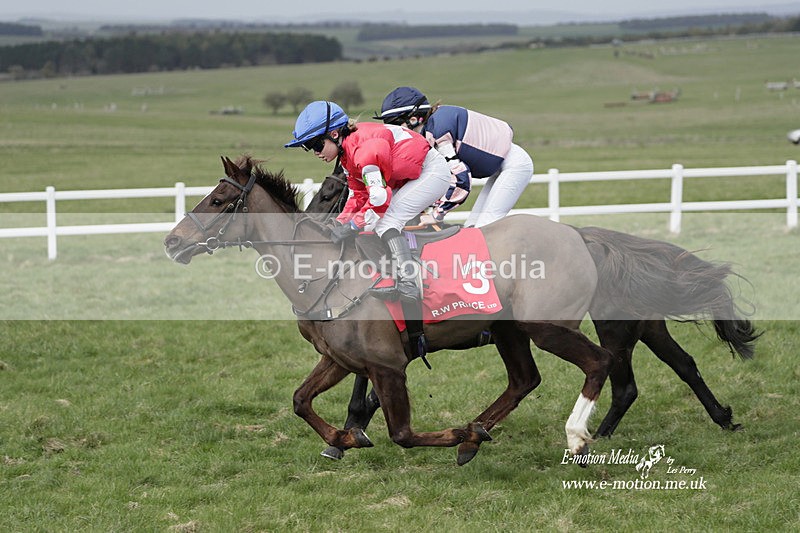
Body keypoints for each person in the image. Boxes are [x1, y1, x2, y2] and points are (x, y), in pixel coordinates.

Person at [285, 100, 451, 303]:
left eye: (317, 145)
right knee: (371, 224)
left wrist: (353, 225)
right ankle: (389, 277)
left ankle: (409, 283)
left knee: (387, 221)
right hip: (410, 173)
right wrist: (340, 222)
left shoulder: (364, 151)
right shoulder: (347, 154)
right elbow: (358, 195)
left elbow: (379, 198)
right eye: (310, 148)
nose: (316, 152)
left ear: (335, 134)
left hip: (432, 172)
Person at [375, 86, 534, 228]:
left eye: (394, 125)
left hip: (515, 166)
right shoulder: (432, 126)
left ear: (413, 118)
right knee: (472, 227)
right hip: (503, 165)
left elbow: (461, 178)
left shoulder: (438, 133)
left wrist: (437, 215)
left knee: (485, 226)